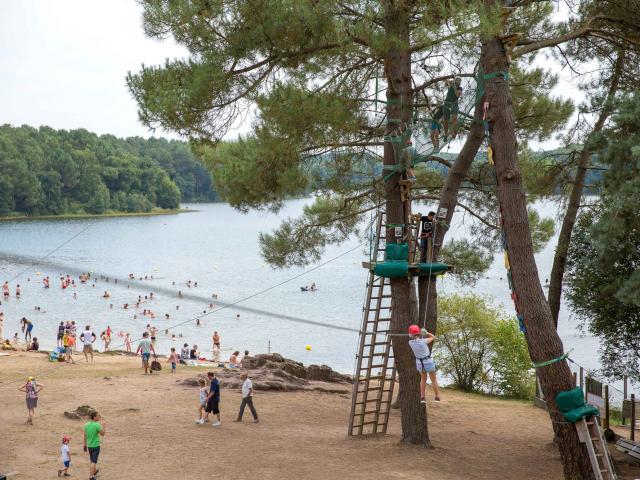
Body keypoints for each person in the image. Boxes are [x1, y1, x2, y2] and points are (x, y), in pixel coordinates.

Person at [407, 324, 440, 403]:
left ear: (411, 334)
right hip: (428, 362)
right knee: (433, 380)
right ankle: (437, 396)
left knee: (423, 379)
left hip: (419, 363)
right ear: (418, 333)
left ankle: (422, 397)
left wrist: (419, 333)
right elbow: (434, 337)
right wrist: (427, 333)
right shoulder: (424, 341)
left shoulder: (410, 342)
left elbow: (414, 337)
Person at [83, 411, 106, 480]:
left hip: (89, 446)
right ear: (94, 417)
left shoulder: (86, 425)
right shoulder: (97, 425)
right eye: (98, 416)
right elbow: (103, 434)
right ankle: (91, 476)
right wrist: (104, 426)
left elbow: (85, 436)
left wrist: (84, 445)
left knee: (92, 460)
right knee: (93, 461)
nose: (99, 417)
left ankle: (94, 471)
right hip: (96, 446)